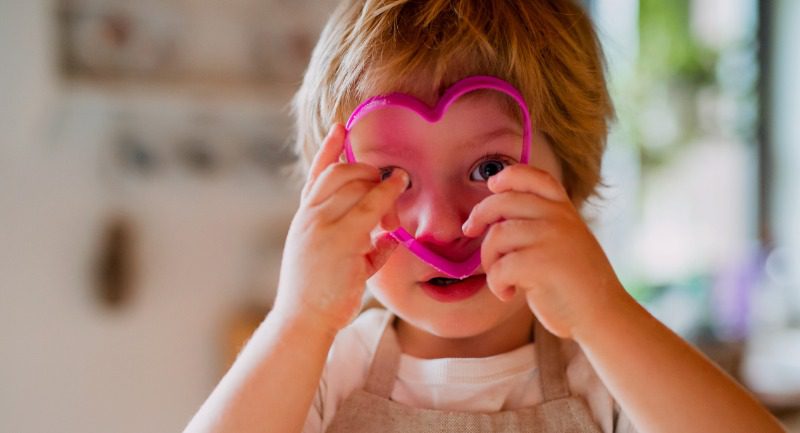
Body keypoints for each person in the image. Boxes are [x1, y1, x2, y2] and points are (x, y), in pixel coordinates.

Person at [183, 1, 786, 432]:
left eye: (489, 170)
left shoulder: (609, 374)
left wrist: (604, 310)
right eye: (392, 177)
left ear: (571, 177)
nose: (442, 226)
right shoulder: (323, 374)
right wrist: (299, 320)